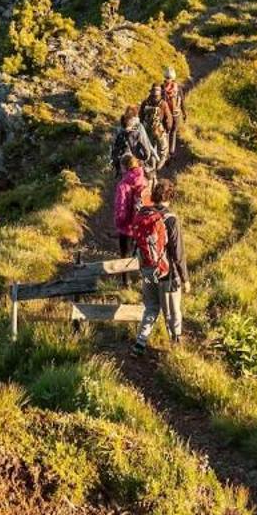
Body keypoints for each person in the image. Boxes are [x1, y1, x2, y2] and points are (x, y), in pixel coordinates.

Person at [131, 174, 188, 353]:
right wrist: (185, 279)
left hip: (147, 270)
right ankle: (176, 343)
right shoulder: (171, 219)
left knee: (151, 308)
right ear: (170, 197)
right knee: (172, 312)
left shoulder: (143, 214)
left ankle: (139, 344)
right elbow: (178, 253)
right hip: (167, 274)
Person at [112, 151, 147, 257]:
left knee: (125, 257)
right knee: (140, 254)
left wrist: (118, 224)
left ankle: (125, 274)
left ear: (124, 167)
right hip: (141, 225)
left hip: (126, 228)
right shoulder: (144, 180)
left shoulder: (123, 185)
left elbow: (120, 208)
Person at [114, 103, 163, 176]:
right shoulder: (139, 127)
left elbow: (115, 145)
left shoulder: (119, 128)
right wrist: (146, 157)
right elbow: (146, 144)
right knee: (145, 175)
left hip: (122, 159)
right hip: (134, 158)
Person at [157, 67, 185, 161]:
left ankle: (167, 152)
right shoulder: (178, 88)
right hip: (175, 113)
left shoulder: (161, 88)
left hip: (167, 114)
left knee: (167, 132)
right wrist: (184, 113)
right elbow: (182, 101)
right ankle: (171, 152)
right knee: (172, 132)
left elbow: (158, 102)